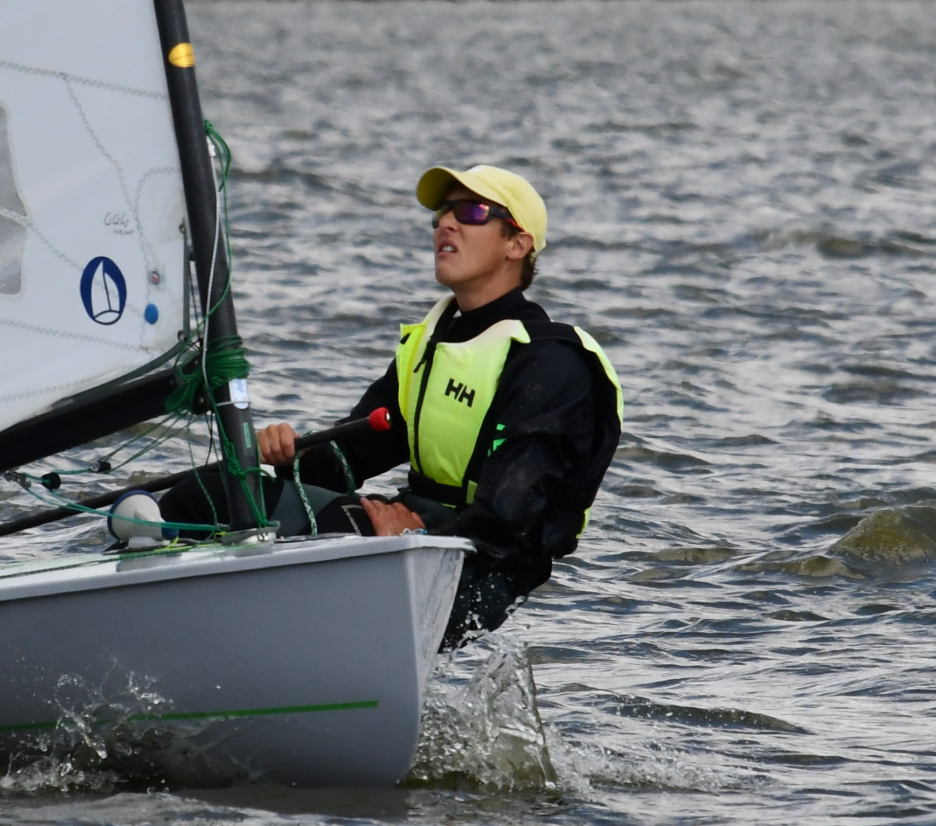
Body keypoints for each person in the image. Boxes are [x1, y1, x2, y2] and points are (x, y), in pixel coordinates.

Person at [164, 164, 623, 648]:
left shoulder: (551, 362)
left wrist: (419, 539)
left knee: (224, 504)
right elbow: (344, 461)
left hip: (482, 563)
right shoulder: (430, 344)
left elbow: (512, 516)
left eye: (471, 211)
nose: (447, 223)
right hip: (411, 534)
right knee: (217, 493)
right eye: (442, 212)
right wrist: (288, 453)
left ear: (518, 244)